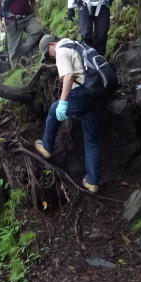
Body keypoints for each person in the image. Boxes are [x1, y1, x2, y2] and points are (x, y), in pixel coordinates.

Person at [34, 33, 104, 193]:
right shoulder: (77, 45)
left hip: (82, 94)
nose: (50, 57)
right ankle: (92, 181)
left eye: (48, 53)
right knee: (92, 140)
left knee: (53, 110)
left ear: (52, 44)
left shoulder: (61, 50)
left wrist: (63, 102)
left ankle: (46, 146)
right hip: (96, 93)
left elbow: (69, 76)